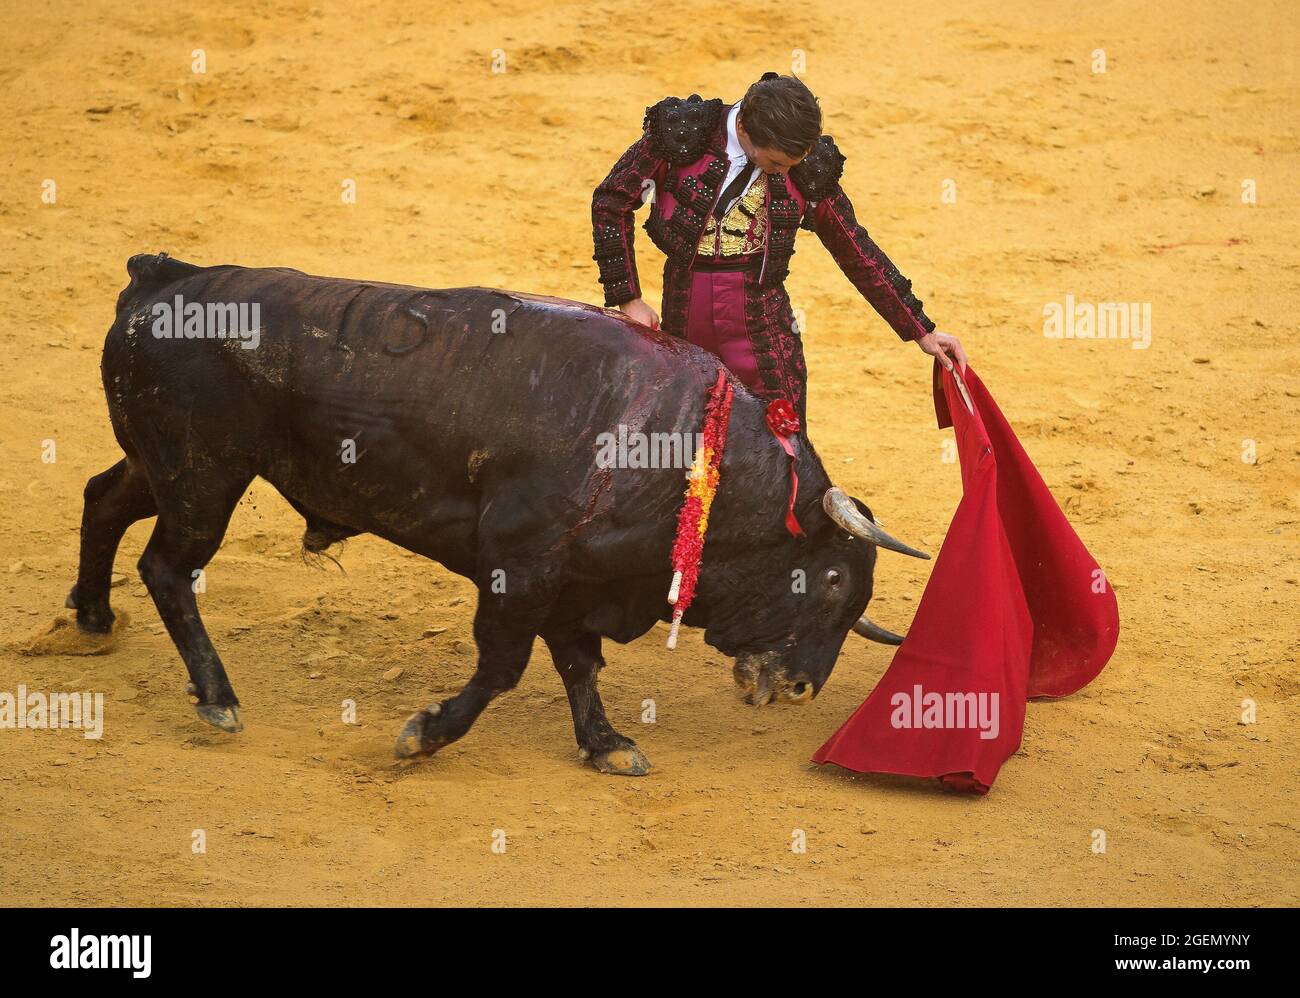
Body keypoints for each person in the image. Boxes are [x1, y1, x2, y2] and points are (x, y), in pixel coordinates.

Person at [591, 72, 967, 422]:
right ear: (744, 129)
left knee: (780, 435)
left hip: (762, 324)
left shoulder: (805, 166)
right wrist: (627, 297)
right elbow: (611, 201)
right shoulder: (682, 133)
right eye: (775, 163)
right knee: (684, 432)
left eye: (792, 164)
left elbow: (854, 248)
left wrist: (920, 328)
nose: (785, 173)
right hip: (684, 312)